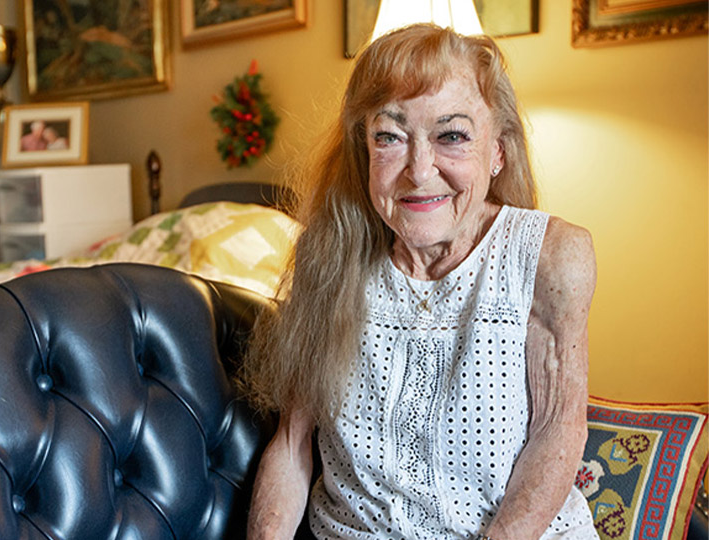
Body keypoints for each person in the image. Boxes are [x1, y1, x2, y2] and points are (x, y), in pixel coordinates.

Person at [242, 24, 598, 540]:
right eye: (390, 137)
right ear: (364, 150)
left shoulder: (552, 256)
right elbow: (291, 446)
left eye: (451, 136)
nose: (420, 169)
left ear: (497, 151)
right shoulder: (327, 259)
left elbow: (557, 432)